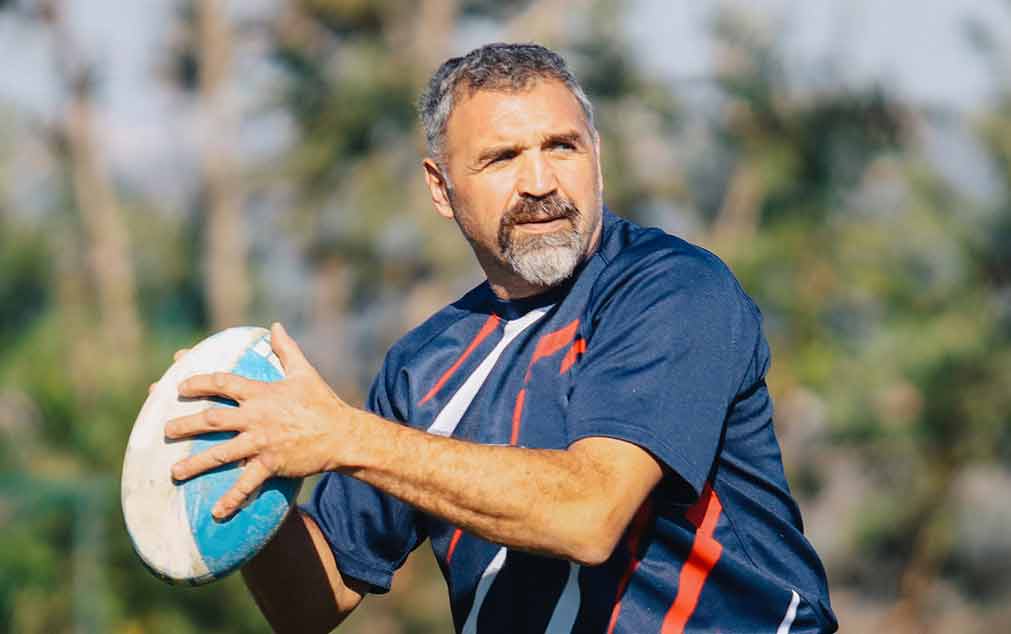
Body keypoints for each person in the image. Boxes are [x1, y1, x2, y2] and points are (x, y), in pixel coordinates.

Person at [165, 43, 838, 633]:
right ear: (440, 186)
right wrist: (247, 460)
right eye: (501, 158)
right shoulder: (422, 365)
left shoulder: (672, 290)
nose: (540, 182)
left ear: (595, 157)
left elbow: (587, 513)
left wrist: (341, 436)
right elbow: (311, 606)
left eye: (561, 147)